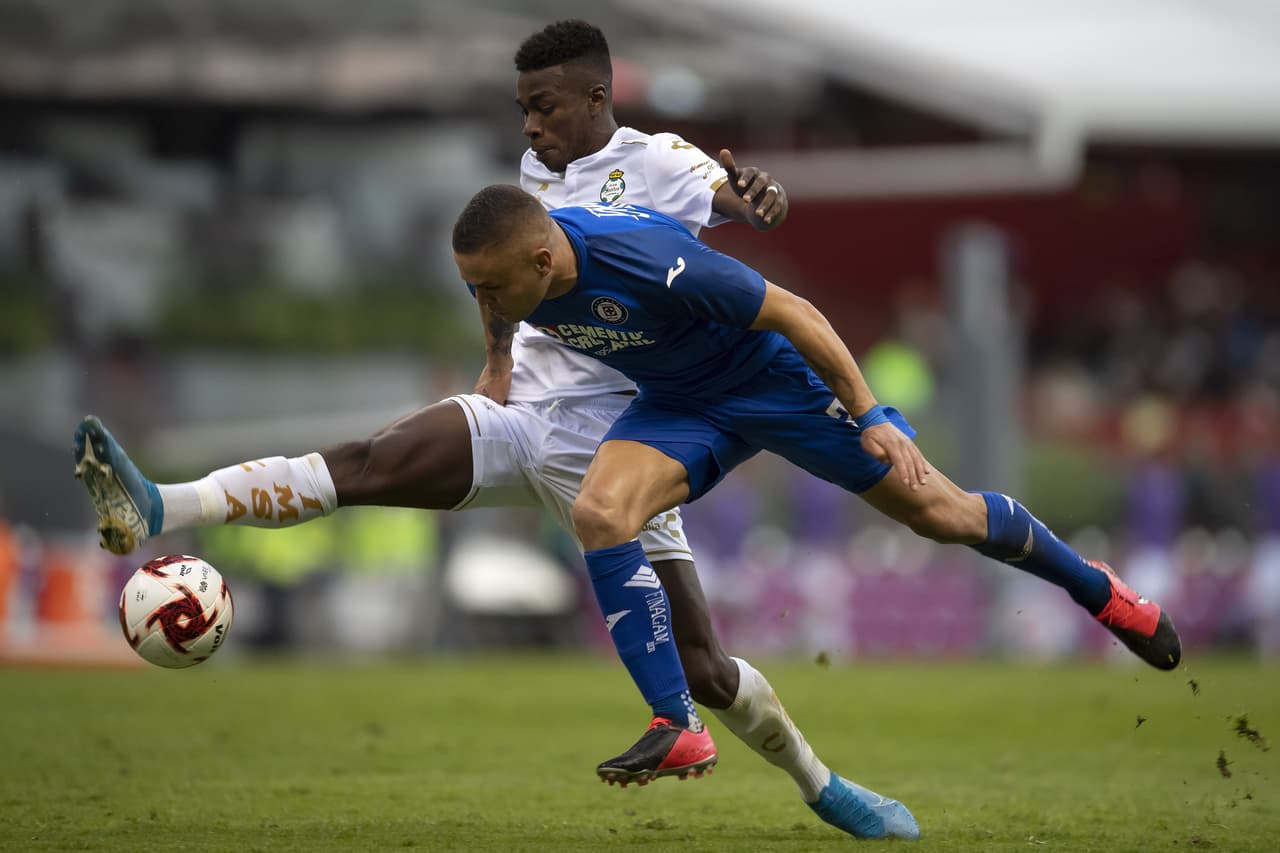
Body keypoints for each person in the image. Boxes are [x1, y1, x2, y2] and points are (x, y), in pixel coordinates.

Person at [73, 20, 919, 842]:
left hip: (623, 447)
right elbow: (500, 277)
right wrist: (497, 360)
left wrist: (758, 197)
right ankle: (160, 504)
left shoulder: (657, 161)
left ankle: (824, 784)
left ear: (596, 97)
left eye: (544, 105)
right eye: (524, 107)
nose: (530, 124)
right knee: (365, 461)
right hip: (522, 419)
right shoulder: (531, 174)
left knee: (708, 671)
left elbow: (733, 197)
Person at [450, 184, 1184, 756]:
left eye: (488, 286)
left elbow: (797, 313)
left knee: (941, 514)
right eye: (472, 288)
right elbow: (503, 312)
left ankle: (1100, 590)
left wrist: (872, 416)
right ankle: (676, 723)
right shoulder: (523, 281)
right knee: (600, 513)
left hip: (775, 384)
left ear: (542, 261)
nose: (482, 300)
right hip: (679, 403)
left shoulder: (645, 261)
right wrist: (496, 360)